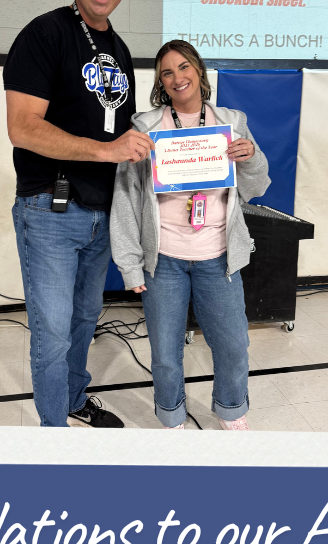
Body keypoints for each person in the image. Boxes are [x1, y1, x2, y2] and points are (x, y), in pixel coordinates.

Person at [3, 0, 154, 428]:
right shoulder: (44, 34)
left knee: (85, 320)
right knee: (52, 330)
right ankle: (53, 432)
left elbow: (124, 136)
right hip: (51, 209)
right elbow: (23, 129)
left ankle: (71, 398)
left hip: (102, 215)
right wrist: (105, 150)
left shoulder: (121, 51)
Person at [110, 40, 270, 430]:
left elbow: (257, 186)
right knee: (165, 352)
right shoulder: (145, 128)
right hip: (163, 260)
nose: (178, 77)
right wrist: (130, 266)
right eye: (167, 72)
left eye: (184, 67)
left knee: (233, 345)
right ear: (161, 83)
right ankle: (171, 415)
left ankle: (231, 408)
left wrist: (251, 158)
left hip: (219, 256)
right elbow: (126, 199)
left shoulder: (231, 122)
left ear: (198, 70)